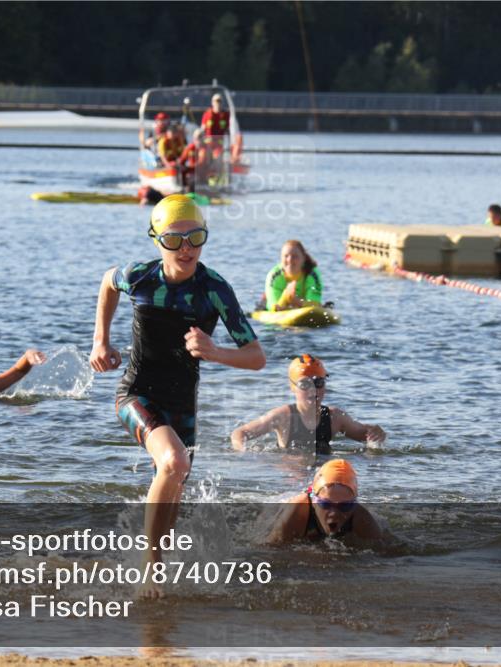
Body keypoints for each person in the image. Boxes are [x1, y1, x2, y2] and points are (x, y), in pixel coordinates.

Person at [90, 194, 265, 598]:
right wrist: (100, 341)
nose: (186, 249)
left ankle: (155, 568)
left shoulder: (215, 290)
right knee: (174, 461)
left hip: (182, 404)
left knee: (173, 479)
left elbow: (256, 357)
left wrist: (215, 352)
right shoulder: (139, 277)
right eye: (174, 240)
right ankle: (150, 573)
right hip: (136, 393)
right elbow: (107, 280)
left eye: (195, 238)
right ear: (156, 240)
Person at [231, 354, 385, 455]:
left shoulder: (335, 417)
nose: (313, 389)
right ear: (293, 387)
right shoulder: (283, 416)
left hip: (322, 472)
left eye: (318, 382)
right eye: (305, 384)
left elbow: (366, 435)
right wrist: (242, 452)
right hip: (291, 475)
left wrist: (377, 433)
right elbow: (240, 433)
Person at [266, 459, 384, 544]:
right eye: (325, 504)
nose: (334, 513)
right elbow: (269, 550)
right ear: (313, 500)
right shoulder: (298, 510)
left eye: (345, 506)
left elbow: (386, 551)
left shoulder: (361, 518)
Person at [264, 240, 324, 311]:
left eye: (295, 256)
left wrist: (297, 301)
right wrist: (286, 296)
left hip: (301, 305)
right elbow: (273, 307)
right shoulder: (274, 276)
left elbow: (315, 304)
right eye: (286, 256)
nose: (290, 260)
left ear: (303, 258)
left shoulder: (313, 274)